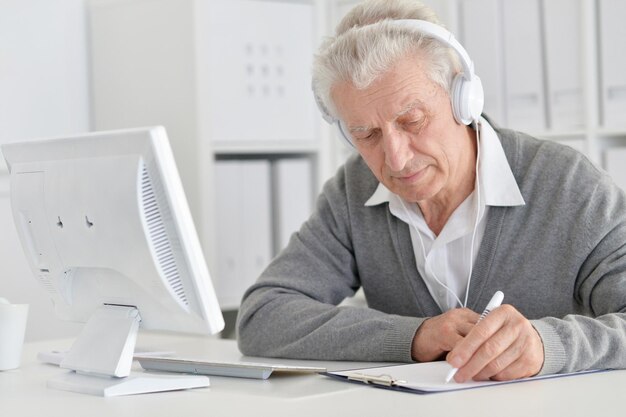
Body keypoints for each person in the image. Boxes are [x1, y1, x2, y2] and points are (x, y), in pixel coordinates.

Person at [236, 0, 626, 383]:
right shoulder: (353, 192)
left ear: (463, 99)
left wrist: (549, 345)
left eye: (412, 120)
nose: (396, 159)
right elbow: (262, 315)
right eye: (366, 134)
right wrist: (414, 336)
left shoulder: (567, 184)